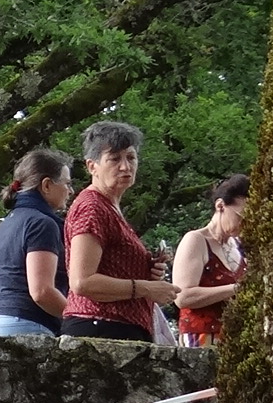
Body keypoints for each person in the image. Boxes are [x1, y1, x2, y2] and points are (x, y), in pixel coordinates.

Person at [61, 120, 178, 342]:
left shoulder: (110, 207)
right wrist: (146, 288)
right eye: (114, 159)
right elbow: (82, 282)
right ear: (91, 166)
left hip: (117, 329)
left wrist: (147, 271)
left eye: (131, 157)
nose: (125, 166)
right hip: (100, 330)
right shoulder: (92, 207)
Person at [0, 149, 74, 337]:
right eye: (67, 183)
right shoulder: (42, 223)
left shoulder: (7, 222)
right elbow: (42, 292)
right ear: (46, 185)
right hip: (25, 324)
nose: (70, 191)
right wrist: (77, 318)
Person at [173, 173, 250, 347]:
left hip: (236, 339)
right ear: (220, 206)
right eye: (241, 217)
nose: (246, 224)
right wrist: (236, 289)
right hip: (201, 339)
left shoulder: (239, 245)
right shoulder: (196, 240)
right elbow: (182, 296)